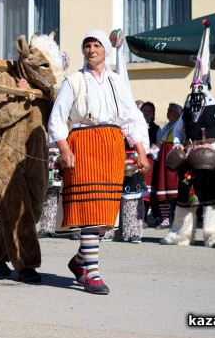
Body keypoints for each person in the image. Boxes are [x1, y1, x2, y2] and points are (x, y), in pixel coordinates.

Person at [48, 29, 149, 294]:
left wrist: (140, 150)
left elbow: (129, 119)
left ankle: (80, 261)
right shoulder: (73, 82)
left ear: (105, 49)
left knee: (105, 215)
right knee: (90, 211)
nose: (91, 50)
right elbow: (57, 120)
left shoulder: (118, 82)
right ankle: (91, 272)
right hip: (83, 145)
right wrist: (64, 150)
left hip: (112, 147)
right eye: (87, 46)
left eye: (96, 45)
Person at [0, 32, 66, 283]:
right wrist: (19, 98)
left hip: (36, 154)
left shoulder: (44, 88)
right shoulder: (3, 79)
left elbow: (58, 117)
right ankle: (26, 265)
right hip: (5, 154)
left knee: (35, 208)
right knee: (15, 210)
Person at [160, 20, 215, 248]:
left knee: (213, 199)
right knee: (186, 197)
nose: (195, 91)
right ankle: (181, 234)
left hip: (211, 157)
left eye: (198, 88)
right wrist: (180, 145)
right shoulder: (187, 105)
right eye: (193, 88)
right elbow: (180, 129)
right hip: (190, 158)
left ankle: (214, 236)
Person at [152, 102, 183, 228]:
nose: (168, 113)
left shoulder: (179, 126)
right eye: (168, 110)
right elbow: (160, 143)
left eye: (171, 110)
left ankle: (175, 217)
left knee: (174, 188)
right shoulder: (166, 127)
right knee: (162, 189)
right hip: (164, 159)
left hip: (174, 158)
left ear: (177, 113)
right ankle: (165, 218)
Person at [140, 101, 161, 227]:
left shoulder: (157, 129)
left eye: (149, 111)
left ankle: (145, 217)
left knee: (148, 191)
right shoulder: (136, 126)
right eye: (144, 111)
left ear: (153, 114)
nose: (146, 113)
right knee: (138, 190)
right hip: (138, 160)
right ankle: (140, 217)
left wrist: (153, 148)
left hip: (150, 161)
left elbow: (158, 145)